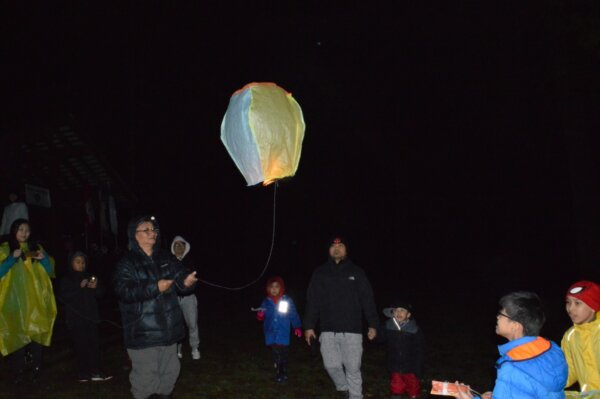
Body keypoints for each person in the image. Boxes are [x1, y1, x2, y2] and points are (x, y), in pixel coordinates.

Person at [113, 215, 198, 399]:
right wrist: (154, 287)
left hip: (169, 333)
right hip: (143, 335)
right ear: (134, 235)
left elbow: (181, 276)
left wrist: (187, 281)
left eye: (154, 229)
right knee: (145, 382)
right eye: (147, 230)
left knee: (170, 374)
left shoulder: (165, 257)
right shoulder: (127, 263)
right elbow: (124, 291)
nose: (152, 233)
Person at [304, 236, 379, 399]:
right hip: (328, 330)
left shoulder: (357, 272)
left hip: (352, 331)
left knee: (353, 368)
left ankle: (355, 396)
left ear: (346, 249)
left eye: (341, 245)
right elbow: (313, 301)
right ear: (328, 250)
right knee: (330, 365)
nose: (336, 249)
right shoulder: (320, 273)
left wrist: (373, 324)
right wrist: (309, 326)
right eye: (333, 246)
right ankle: (343, 387)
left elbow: (367, 299)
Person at [456, 291, 568, 399]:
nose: (497, 317)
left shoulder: (512, 368)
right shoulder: (553, 349)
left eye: (501, 314)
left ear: (515, 326)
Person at [0, 218, 56, 384]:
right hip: (14, 301)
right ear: (14, 231)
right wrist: (11, 258)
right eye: (20, 230)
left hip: (35, 300)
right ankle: (19, 371)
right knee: (17, 335)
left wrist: (43, 258)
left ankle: (37, 368)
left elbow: (50, 270)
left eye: (27, 230)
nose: (24, 233)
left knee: (36, 333)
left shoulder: (35, 248)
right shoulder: (4, 249)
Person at [59, 251, 112, 382]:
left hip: (91, 318)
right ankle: (83, 373)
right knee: (79, 345)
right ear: (71, 263)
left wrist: (96, 287)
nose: (81, 264)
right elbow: (64, 297)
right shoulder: (67, 279)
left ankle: (96, 372)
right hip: (75, 319)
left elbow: (101, 294)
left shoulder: (90, 276)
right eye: (77, 262)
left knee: (93, 344)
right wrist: (79, 287)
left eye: (83, 262)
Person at [255, 276, 302, 383]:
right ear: (268, 289)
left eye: (277, 286)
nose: (274, 289)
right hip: (271, 332)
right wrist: (260, 315)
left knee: (283, 352)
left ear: (281, 288)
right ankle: (279, 369)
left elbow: (293, 314)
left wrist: (297, 326)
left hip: (283, 331)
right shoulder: (266, 302)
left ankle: (282, 371)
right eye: (272, 287)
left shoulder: (287, 300)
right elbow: (259, 317)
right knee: (276, 352)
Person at [377, 300, 424, 399]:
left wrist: (418, 368)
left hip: (410, 367)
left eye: (402, 310)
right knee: (396, 388)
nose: (398, 313)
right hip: (395, 366)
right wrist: (374, 335)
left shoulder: (414, 329)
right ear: (392, 313)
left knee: (413, 388)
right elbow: (380, 338)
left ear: (408, 314)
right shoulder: (388, 326)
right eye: (396, 310)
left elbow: (419, 350)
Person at [561, 280, 600, 394]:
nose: (570, 309)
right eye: (568, 302)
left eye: (577, 303)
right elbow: (568, 372)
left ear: (593, 306)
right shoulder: (570, 337)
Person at [170, 235, 200, 360]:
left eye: (181, 245)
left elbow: (193, 281)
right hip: (174, 299)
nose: (178, 247)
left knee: (192, 324)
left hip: (189, 298)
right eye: (176, 245)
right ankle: (178, 348)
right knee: (176, 324)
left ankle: (195, 348)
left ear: (185, 247)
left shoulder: (190, 261)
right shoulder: (169, 261)